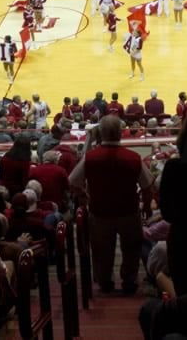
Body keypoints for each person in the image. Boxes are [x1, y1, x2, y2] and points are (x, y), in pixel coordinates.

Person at [70, 115, 154, 294]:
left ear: (101, 133)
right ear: (120, 133)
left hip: (100, 212)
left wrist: (85, 196)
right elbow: (147, 186)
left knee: (102, 251)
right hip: (129, 211)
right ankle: (129, 281)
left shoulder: (90, 158)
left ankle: (105, 282)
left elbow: (73, 182)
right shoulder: (133, 157)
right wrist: (146, 207)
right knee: (131, 249)